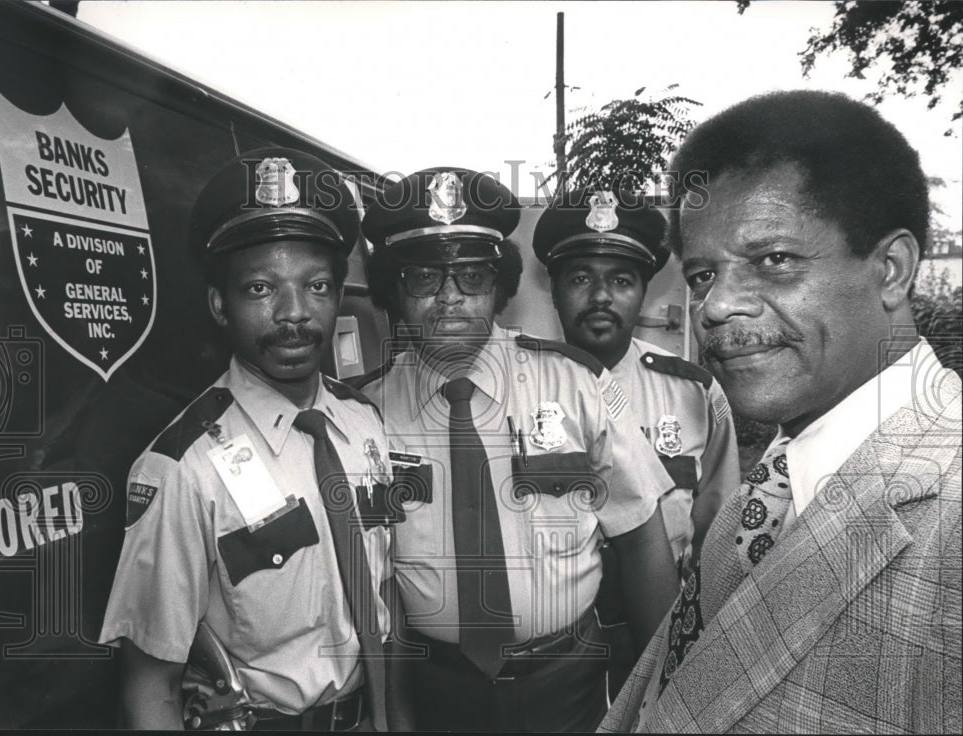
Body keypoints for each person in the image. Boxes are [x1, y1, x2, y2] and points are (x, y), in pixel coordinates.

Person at [601, 90, 962, 734]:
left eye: (774, 260)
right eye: (702, 275)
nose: (715, 307)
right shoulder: (769, 487)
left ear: (892, 269)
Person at [351, 168, 680, 732]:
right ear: (392, 292)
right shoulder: (364, 413)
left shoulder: (576, 382)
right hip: (438, 692)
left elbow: (643, 539)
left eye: (472, 277)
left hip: (569, 681)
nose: (450, 299)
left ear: (501, 288)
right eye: (424, 277)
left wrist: (666, 686)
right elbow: (374, 586)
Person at [99, 148, 394, 731]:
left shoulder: (364, 423)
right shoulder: (181, 469)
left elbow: (384, 598)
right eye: (260, 289)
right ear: (220, 304)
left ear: (339, 297)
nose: (294, 314)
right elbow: (149, 682)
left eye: (317, 286)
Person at [532, 191, 739, 698]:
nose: (601, 297)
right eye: (581, 278)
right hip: (556, 648)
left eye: (621, 281)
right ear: (554, 289)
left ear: (643, 292)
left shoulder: (692, 392)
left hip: (664, 623)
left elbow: (720, 520)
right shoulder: (516, 391)